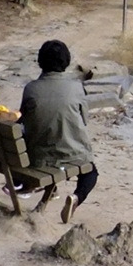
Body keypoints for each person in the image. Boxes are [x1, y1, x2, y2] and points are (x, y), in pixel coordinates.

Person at [19, 40, 97, 224]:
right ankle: (76, 198)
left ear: (40, 62)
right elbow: (84, 120)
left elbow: (26, 119)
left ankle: (47, 199)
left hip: (38, 155)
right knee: (90, 172)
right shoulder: (77, 87)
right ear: (67, 61)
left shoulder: (31, 89)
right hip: (72, 154)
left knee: (50, 142)